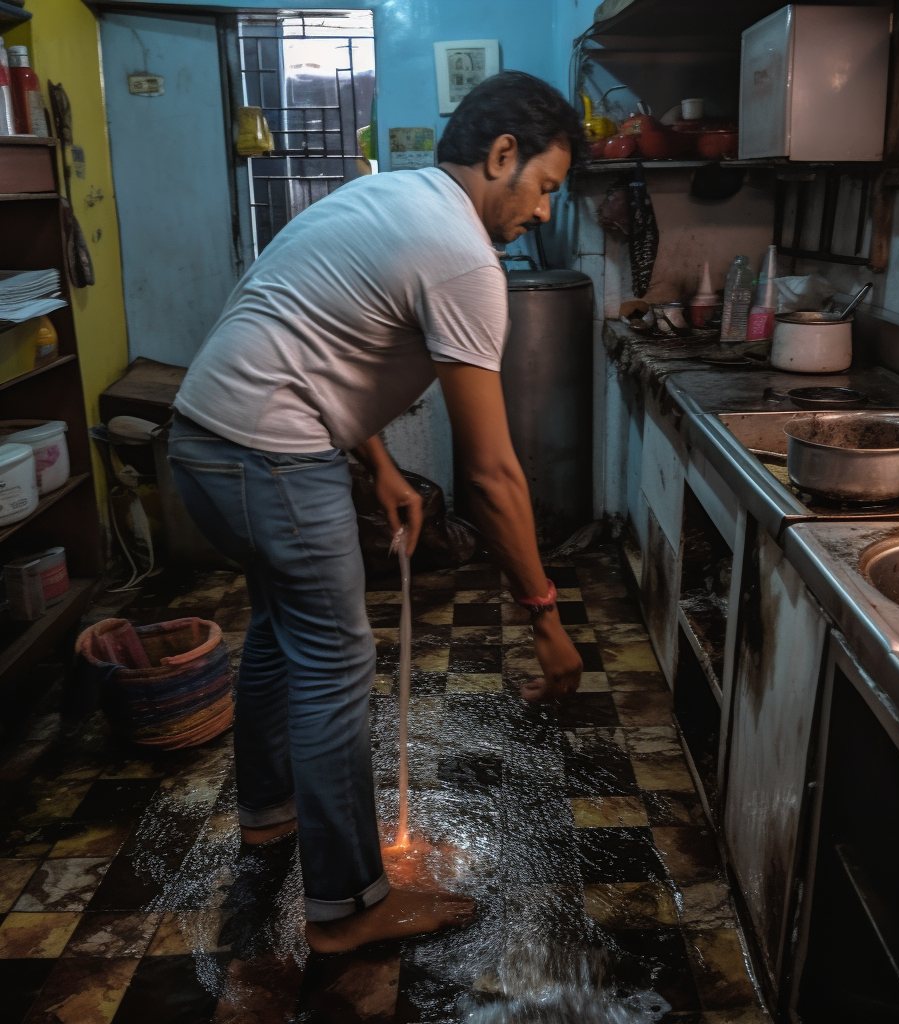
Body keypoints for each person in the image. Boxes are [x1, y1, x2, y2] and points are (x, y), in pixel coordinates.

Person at [167, 71, 588, 954]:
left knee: (286, 631)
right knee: (336, 656)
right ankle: (349, 907)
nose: (545, 211)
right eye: (546, 186)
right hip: (273, 454)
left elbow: (316, 342)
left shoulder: (386, 196)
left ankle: (270, 819)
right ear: (502, 156)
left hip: (207, 443)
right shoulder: (466, 256)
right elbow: (492, 473)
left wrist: (381, 465)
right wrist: (543, 613)